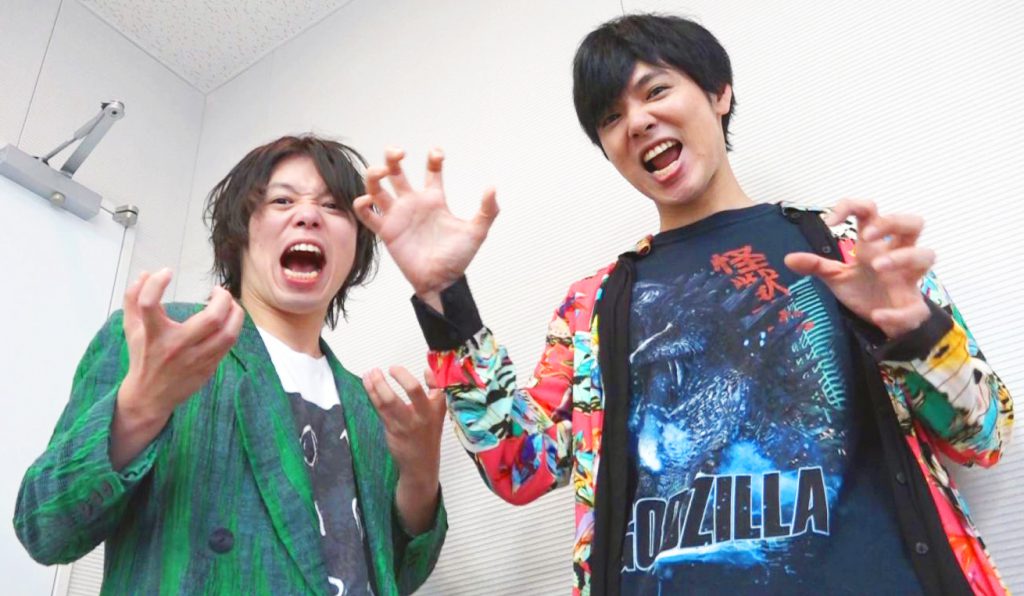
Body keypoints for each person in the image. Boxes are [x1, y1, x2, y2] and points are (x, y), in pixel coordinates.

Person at [353, 14, 1013, 596]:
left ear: (719, 92)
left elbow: (983, 436)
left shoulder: (843, 252)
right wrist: (446, 298)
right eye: (611, 118)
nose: (637, 122)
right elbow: (524, 467)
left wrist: (916, 333)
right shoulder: (595, 306)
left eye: (655, 91)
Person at [14, 135, 447, 595]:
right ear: (239, 233)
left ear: (357, 246)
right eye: (282, 200)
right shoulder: (163, 339)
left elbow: (396, 577)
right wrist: (140, 407)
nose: (309, 215)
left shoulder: (370, 406)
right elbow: (45, 529)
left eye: (333, 206)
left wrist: (421, 475)